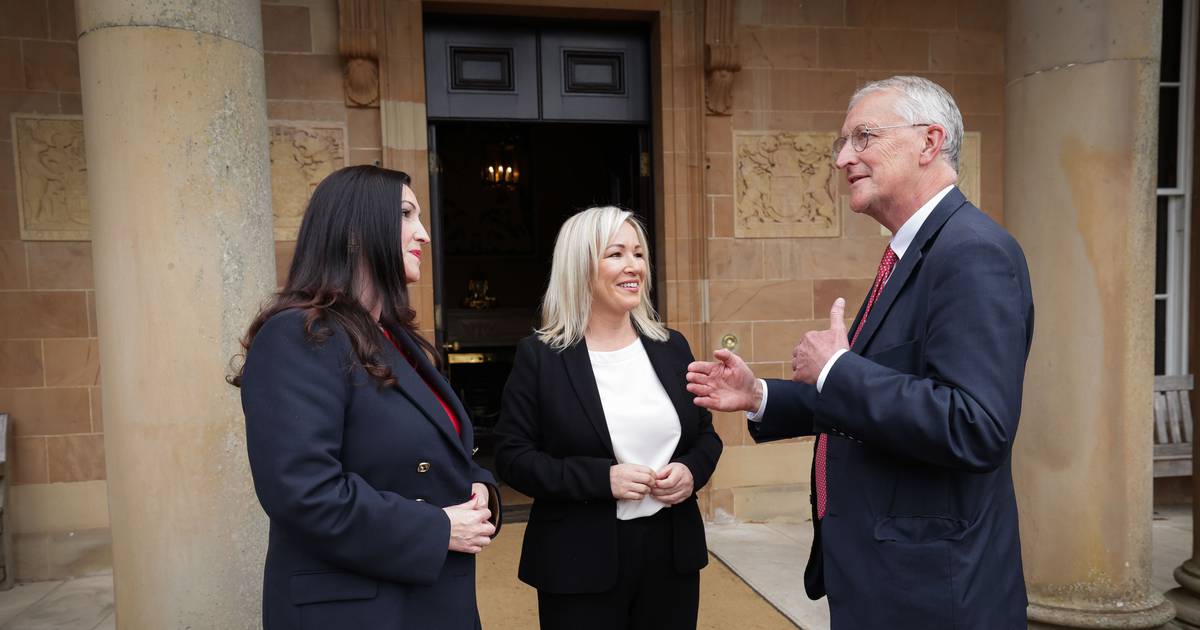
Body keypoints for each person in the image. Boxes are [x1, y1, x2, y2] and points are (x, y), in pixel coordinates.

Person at [686, 76, 1034, 629]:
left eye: (863, 137)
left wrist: (839, 369)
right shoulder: (914, 250)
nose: (845, 157)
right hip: (882, 581)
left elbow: (976, 424)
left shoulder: (972, 253)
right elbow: (870, 403)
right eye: (842, 143)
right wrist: (760, 395)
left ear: (929, 141)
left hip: (937, 594)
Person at [229, 165, 500, 629]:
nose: (425, 234)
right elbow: (303, 491)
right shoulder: (298, 335)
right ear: (356, 231)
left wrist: (480, 488)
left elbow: (439, 450)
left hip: (426, 603)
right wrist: (436, 529)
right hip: (355, 610)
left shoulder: (396, 337)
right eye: (406, 215)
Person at [494, 206, 722, 630]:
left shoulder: (672, 347)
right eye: (615, 254)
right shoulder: (541, 357)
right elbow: (513, 458)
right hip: (579, 559)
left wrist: (691, 472)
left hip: (671, 555)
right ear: (580, 266)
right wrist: (602, 480)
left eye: (638, 254)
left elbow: (707, 437)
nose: (633, 266)